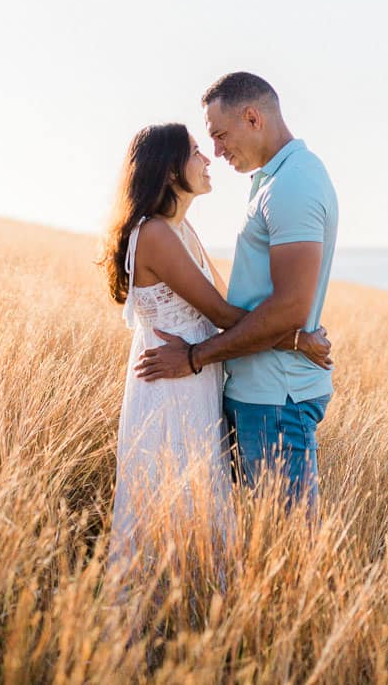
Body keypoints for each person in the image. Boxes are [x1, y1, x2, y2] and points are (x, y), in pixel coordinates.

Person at [100, 122, 330, 572]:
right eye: (195, 153)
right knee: (173, 506)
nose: (209, 159)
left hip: (194, 382)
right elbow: (224, 318)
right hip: (171, 389)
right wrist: (298, 339)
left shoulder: (180, 231)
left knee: (198, 506)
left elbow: (223, 310)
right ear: (169, 171)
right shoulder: (155, 234)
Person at [136, 72, 338, 515]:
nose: (217, 151)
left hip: (276, 399)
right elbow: (242, 308)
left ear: (252, 117)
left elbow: (288, 307)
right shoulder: (270, 182)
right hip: (258, 394)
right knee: (256, 539)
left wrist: (194, 357)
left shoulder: (293, 184)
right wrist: (299, 339)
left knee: (288, 548)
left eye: (220, 136)